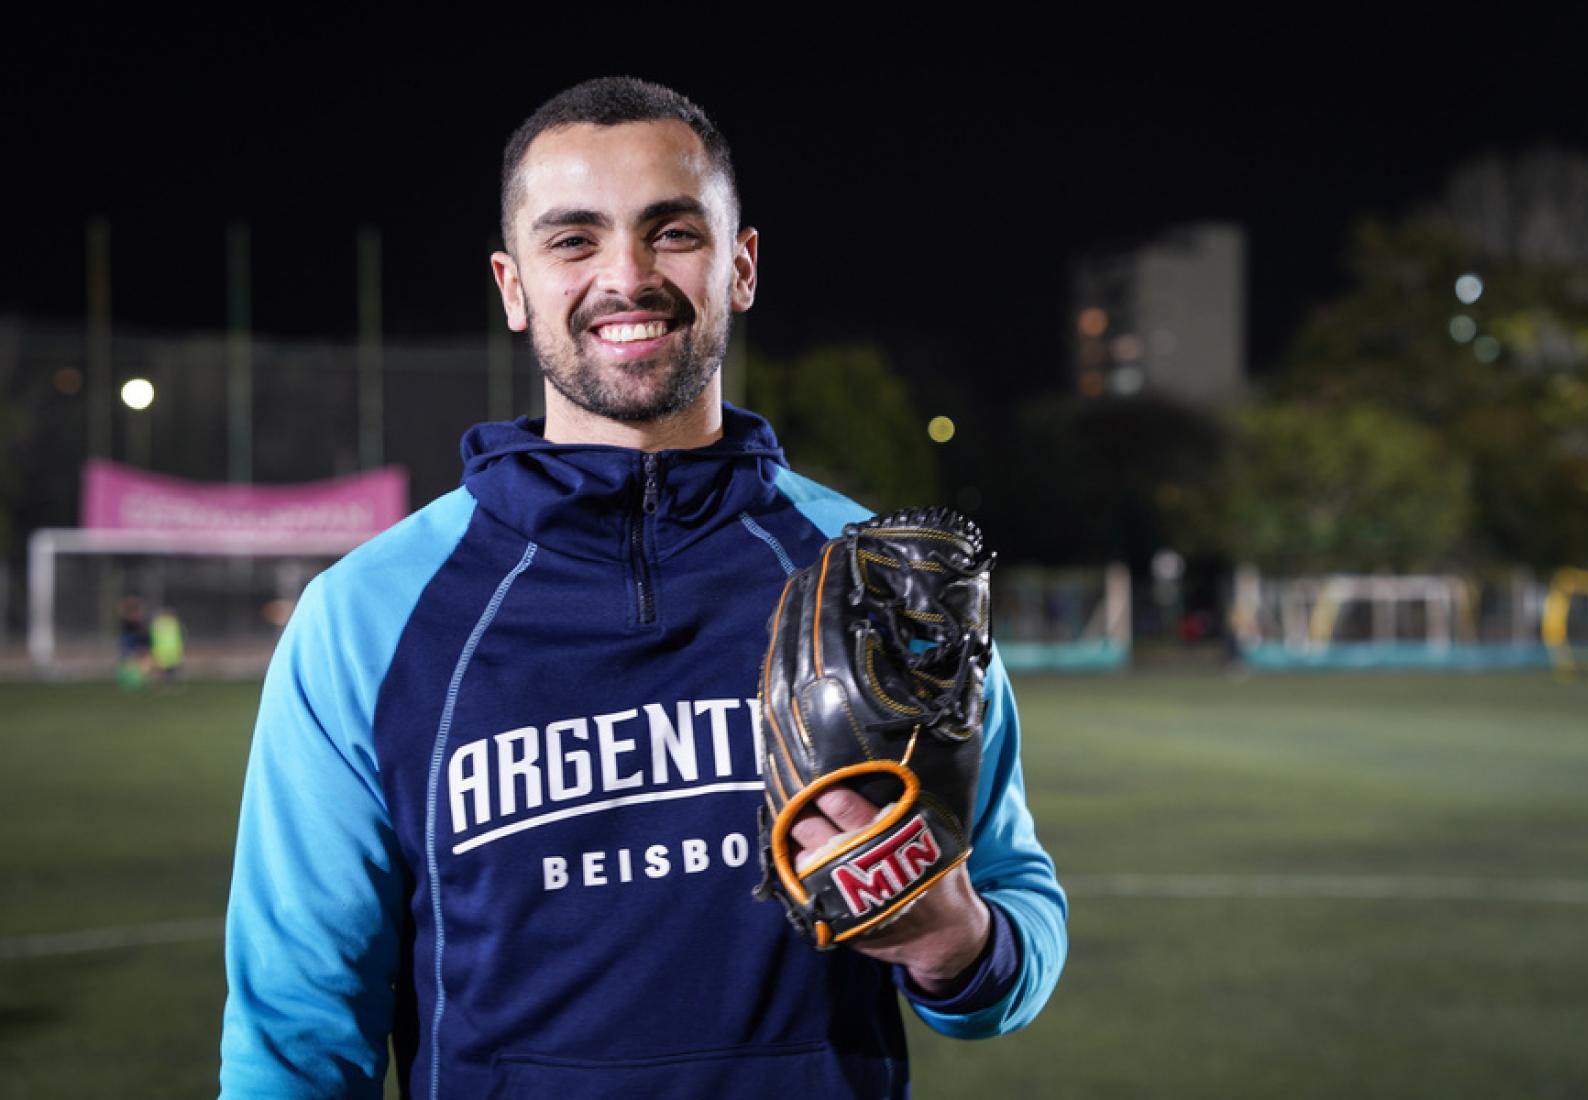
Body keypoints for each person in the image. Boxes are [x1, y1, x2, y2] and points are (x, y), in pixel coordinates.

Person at [220, 77, 1065, 1099]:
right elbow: (295, 1031)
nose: (627, 276)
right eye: (573, 240)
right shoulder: (367, 616)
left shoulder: (877, 575)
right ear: (512, 284)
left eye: (672, 232)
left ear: (740, 264)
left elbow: (1015, 908)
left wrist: (954, 940)